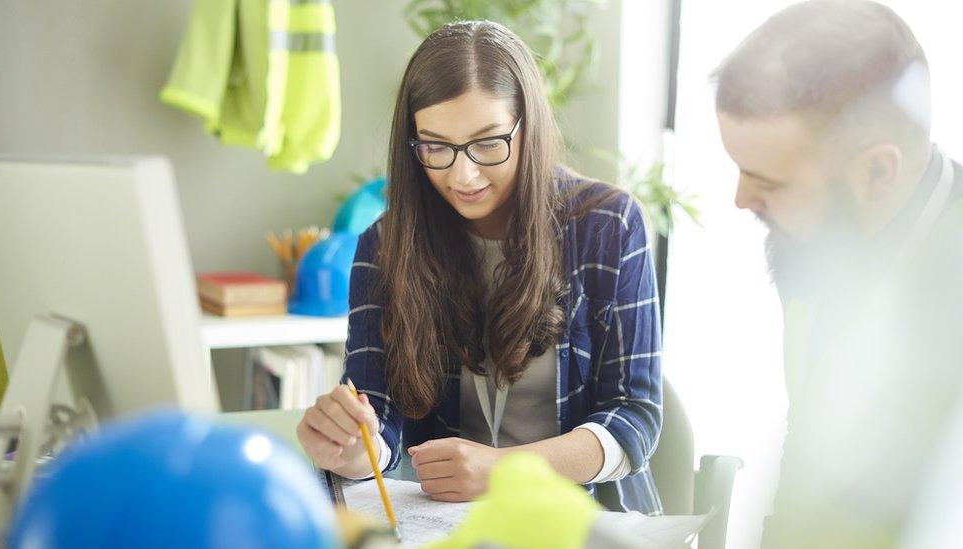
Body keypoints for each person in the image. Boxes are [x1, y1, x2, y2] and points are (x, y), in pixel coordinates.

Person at [296, 21, 664, 514]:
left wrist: (504, 468)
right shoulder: (385, 245)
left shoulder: (609, 225)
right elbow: (378, 417)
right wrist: (353, 448)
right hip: (454, 524)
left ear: (527, 127)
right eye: (435, 147)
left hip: (587, 519)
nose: (462, 175)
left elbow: (634, 419)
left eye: (488, 143)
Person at [712, 1, 963, 546]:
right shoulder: (818, 244)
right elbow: (806, 441)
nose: (740, 199)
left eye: (768, 183)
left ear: (876, 170)